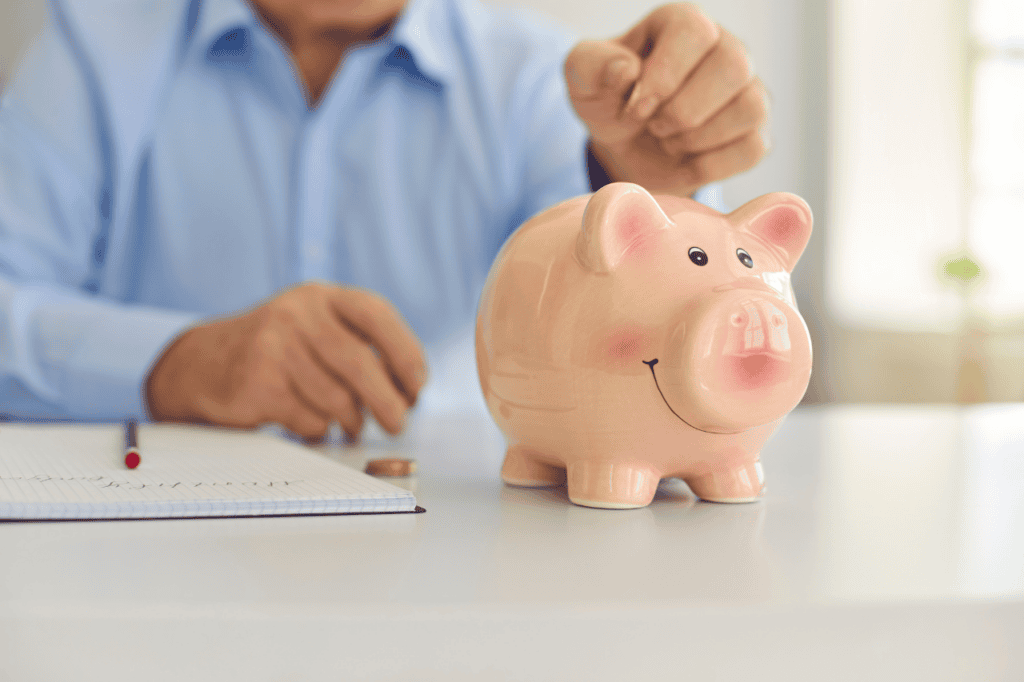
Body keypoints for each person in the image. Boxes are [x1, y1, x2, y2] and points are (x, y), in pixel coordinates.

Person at [0, 0, 769, 440]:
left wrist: (641, 183)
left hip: (468, 565)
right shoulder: (90, 47)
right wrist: (177, 363)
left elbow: (631, 367)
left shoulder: (538, 85)